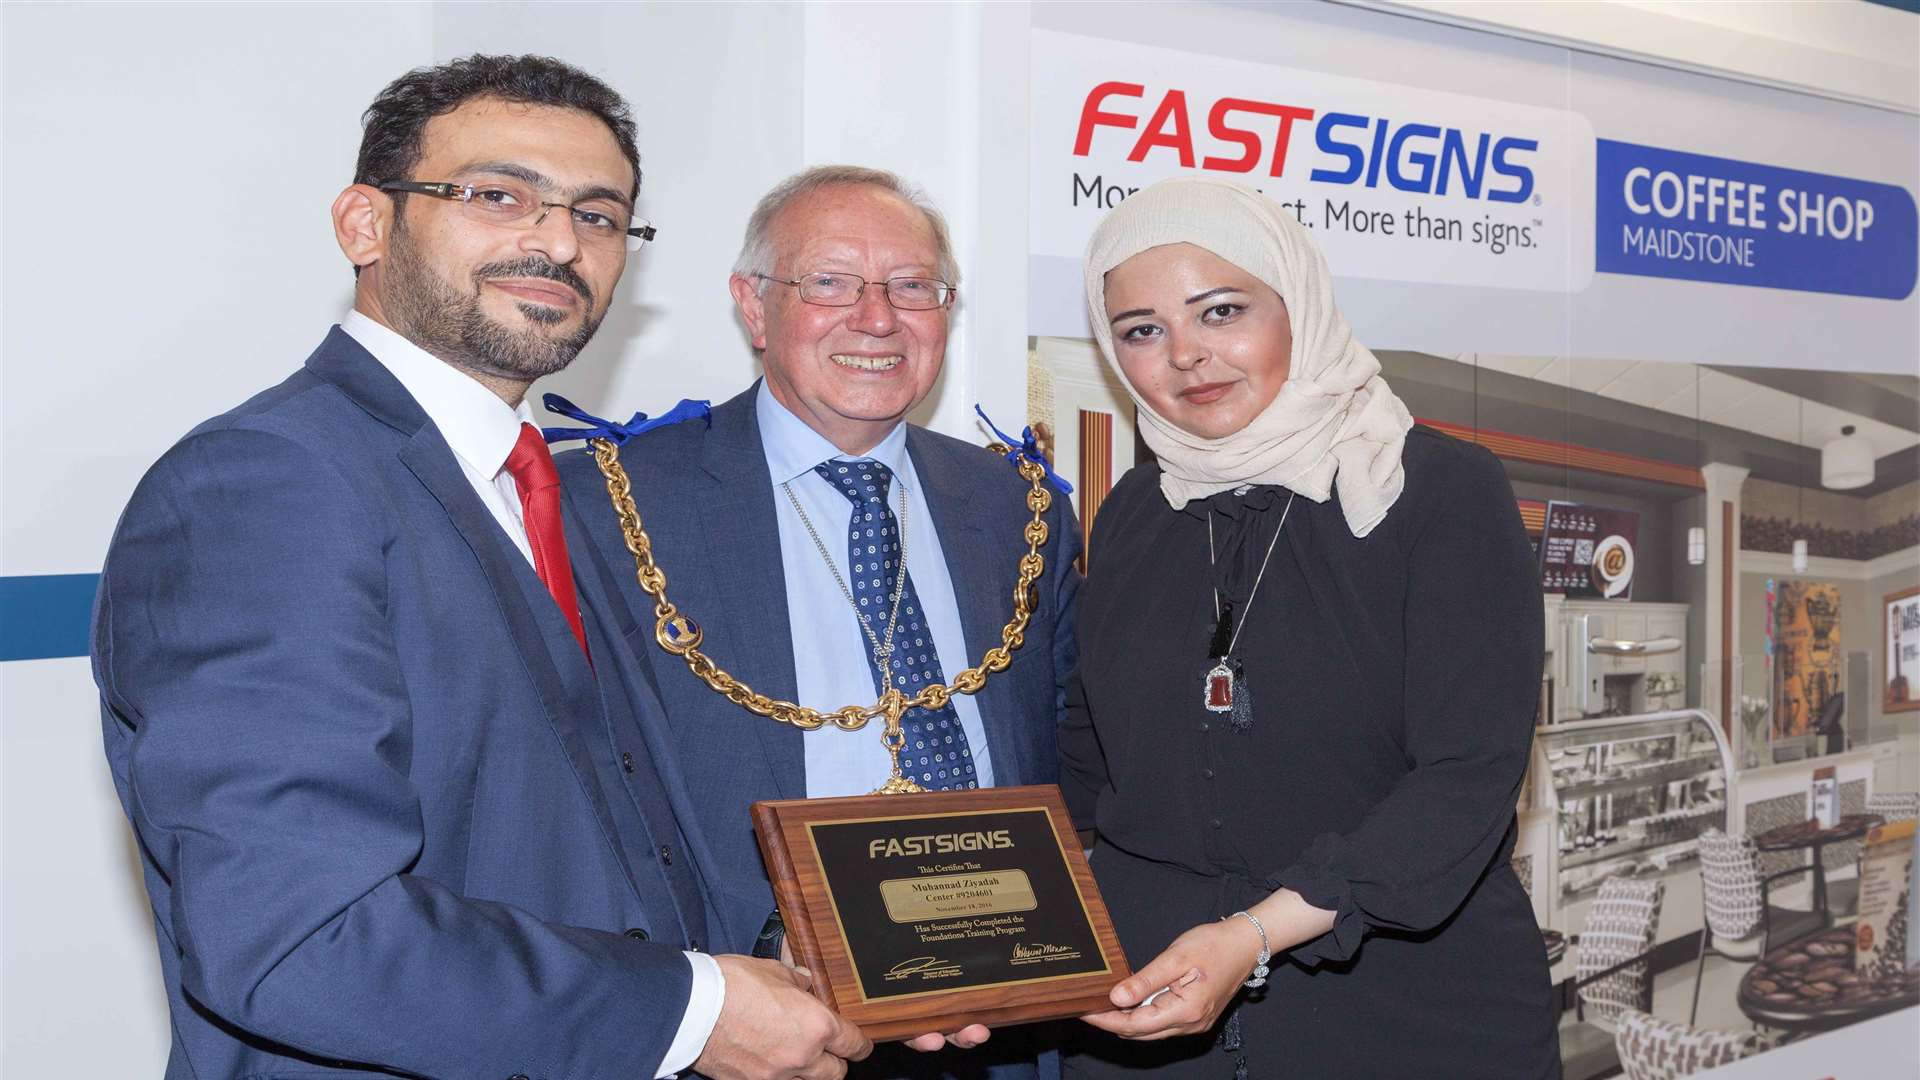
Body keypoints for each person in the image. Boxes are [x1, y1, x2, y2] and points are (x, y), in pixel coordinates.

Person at [91, 55, 869, 1080]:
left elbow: (593, 836)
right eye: (498, 195)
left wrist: (800, 974)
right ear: (365, 224)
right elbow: (301, 942)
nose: (556, 240)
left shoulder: (548, 488)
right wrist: (699, 1010)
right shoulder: (265, 482)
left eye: (598, 215)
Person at [559, 165, 1082, 1077]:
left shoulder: (1017, 505)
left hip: (1003, 1018)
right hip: (752, 1026)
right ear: (754, 308)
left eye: (913, 287)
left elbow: (1072, 749)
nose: (877, 318)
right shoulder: (611, 505)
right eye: (830, 283)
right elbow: (575, 788)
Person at [1058, 177, 1557, 1077]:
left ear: (1299, 302)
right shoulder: (1133, 510)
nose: (1187, 356)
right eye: (1143, 330)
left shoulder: (1440, 492)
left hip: (1407, 1014)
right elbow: (1091, 760)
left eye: (1221, 312)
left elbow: (1466, 777)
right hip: (1155, 1013)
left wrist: (1254, 934)